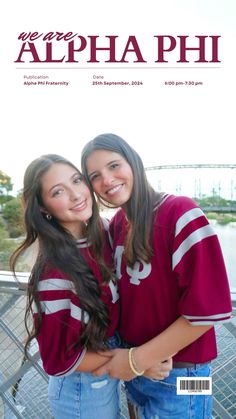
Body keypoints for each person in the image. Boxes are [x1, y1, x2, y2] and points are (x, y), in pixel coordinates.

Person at [81, 134, 232, 419]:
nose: (108, 179)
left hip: (185, 374)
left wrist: (137, 360)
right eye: (95, 175)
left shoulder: (180, 213)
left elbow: (208, 311)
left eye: (114, 165)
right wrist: (134, 363)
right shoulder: (118, 224)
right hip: (138, 371)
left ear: (134, 163)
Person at [10, 154, 121, 419]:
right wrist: (132, 362)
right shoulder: (54, 274)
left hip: (108, 368)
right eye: (58, 191)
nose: (76, 195)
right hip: (82, 390)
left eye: (77, 180)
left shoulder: (102, 234)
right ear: (44, 208)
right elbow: (58, 360)